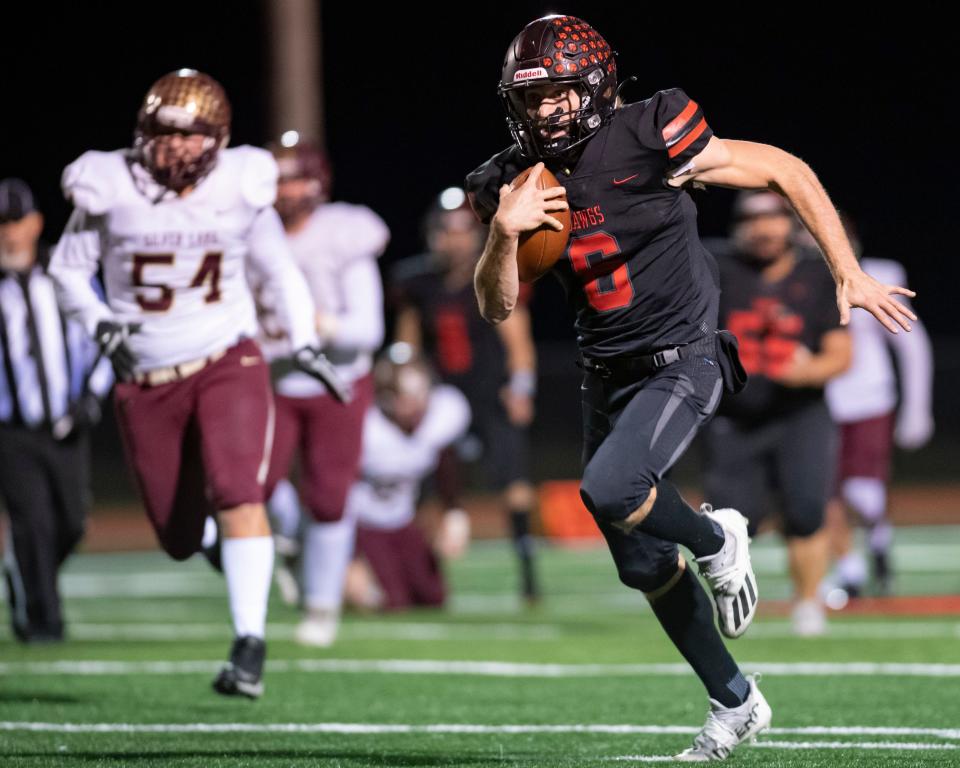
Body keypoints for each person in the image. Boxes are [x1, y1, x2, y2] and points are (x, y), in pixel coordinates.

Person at [466, 14, 916, 761]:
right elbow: (495, 305)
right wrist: (501, 234)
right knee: (642, 564)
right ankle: (735, 700)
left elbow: (785, 170)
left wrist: (846, 269)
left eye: (556, 95)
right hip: (603, 370)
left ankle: (716, 535)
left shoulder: (651, 129)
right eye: (530, 99)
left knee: (610, 489)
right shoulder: (505, 183)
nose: (543, 111)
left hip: (684, 355)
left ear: (598, 85)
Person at [48, 69, 341, 698]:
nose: (176, 148)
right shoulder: (111, 187)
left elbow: (280, 273)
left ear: (219, 139)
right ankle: (220, 548)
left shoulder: (240, 188)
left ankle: (249, 645)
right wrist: (100, 322)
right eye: (164, 134)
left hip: (224, 359)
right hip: (145, 379)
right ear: (142, 135)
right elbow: (66, 270)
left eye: (191, 136)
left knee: (238, 489)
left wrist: (305, 342)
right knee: (177, 538)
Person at [702, 190, 852, 637]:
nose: (764, 228)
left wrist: (805, 372)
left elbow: (841, 355)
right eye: (753, 218)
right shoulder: (718, 268)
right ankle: (733, 595)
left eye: (773, 218)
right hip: (735, 416)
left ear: (791, 223)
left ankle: (808, 603)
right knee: (731, 518)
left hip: (798, 413)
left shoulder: (818, 275)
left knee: (807, 509)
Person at [258, 134, 389, 646]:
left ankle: (322, 604)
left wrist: (314, 325)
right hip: (273, 379)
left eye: (295, 177)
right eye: (279, 178)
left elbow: (368, 329)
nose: (287, 189)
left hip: (336, 379)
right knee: (254, 485)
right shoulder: (252, 233)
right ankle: (291, 541)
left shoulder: (344, 233)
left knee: (330, 498)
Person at [392, 188, 540, 603]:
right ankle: (421, 575)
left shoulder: (493, 270)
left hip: (489, 392)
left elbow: (518, 341)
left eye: (460, 231)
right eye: (446, 231)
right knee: (419, 480)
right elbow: (407, 346)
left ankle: (529, 575)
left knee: (513, 482)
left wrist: (522, 386)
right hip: (440, 398)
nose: (453, 240)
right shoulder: (416, 282)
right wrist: (406, 391)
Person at [0, 178, 111, 642]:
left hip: (67, 421)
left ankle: (24, 573)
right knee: (34, 524)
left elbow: (104, 335)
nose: (8, 232)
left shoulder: (66, 273)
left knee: (71, 522)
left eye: (15, 221)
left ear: (35, 223)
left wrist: (92, 397)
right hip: (11, 429)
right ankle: (43, 622)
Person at [824, 214, 934, 598]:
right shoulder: (801, 278)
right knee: (822, 490)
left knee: (862, 492)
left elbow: (911, 341)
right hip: (816, 403)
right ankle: (850, 571)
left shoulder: (878, 274)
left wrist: (917, 407)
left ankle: (879, 539)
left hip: (869, 398)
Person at [342, 343, 471, 612]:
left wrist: (454, 514)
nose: (416, 406)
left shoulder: (440, 415)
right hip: (362, 525)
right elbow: (333, 487)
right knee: (390, 601)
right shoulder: (366, 426)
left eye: (420, 395)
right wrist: (348, 558)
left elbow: (445, 464)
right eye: (407, 397)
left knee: (433, 597)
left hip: (402, 520)